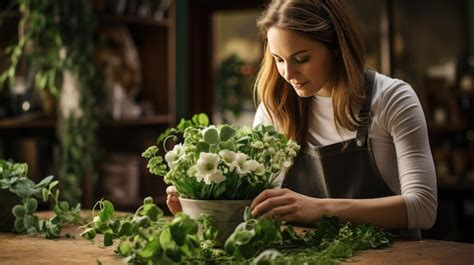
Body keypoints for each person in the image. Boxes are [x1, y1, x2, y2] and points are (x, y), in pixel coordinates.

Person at [167, 0, 437, 238]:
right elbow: (258, 209)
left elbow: (423, 208)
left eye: (302, 58)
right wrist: (201, 208)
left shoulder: (391, 99)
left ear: (335, 48)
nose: (288, 73)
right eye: (278, 60)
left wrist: (317, 209)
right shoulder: (275, 108)